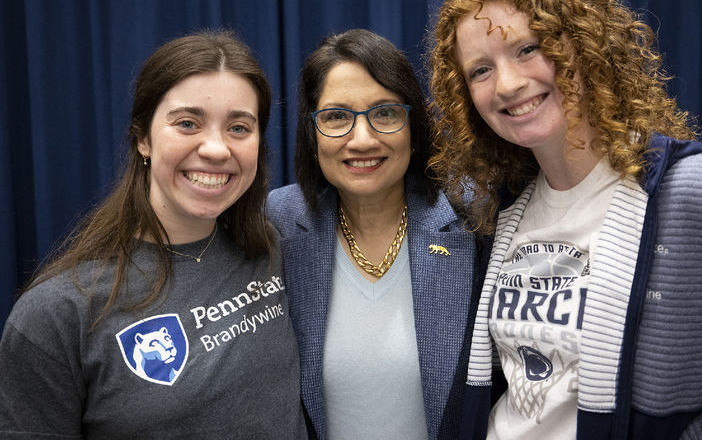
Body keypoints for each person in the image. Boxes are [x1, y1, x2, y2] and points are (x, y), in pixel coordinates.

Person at [427, 0, 702, 440]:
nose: (508, 84)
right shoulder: (506, 210)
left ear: (584, 44)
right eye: (480, 70)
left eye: (529, 48)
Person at [0, 30, 308, 439]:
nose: (216, 149)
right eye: (187, 123)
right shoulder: (56, 315)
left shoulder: (274, 247)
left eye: (239, 128)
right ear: (143, 137)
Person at [268, 28, 485, 439]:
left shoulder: (474, 219)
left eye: (385, 112)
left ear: (413, 125)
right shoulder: (278, 221)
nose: (362, 139)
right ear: (311, 131)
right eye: (336, 117)